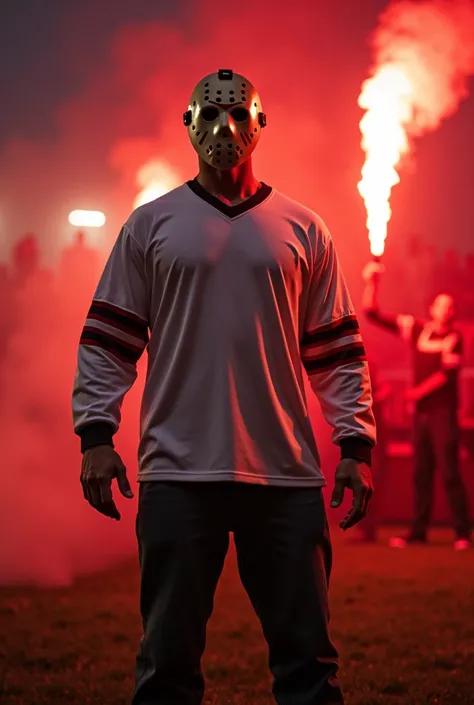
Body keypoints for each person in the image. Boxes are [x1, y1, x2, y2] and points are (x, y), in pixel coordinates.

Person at [73, 69, 376, 705]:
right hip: (179, 471)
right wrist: (95, 435)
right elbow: (109, 340)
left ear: (261, 124)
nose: (224, 130)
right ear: (187, 123)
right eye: (209, 116)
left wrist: (356, 444)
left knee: (310, 669)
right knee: (167, 665)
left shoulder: (304, 228)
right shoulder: (151, 224)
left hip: (284, 473)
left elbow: (337, 349)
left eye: (239, 115)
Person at [362, 261, 471, 550]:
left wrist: (415, 394)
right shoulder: (418, 330)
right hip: (421, 417)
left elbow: (445, 378)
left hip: (442, 415)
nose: (447, 311)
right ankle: (418, 532)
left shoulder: (454, 338)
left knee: (449, 472)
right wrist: (372, 282)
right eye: (442, 306)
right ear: (433, 309)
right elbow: (373, 315)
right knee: (420, 473)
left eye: (451, 307)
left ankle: (462, 533)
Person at [347, 360, 391, 543]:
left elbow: (384, 390)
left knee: (368, 479)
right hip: (362, 434)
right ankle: (365, 529)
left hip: (372, 436)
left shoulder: (367, 367)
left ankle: (368, 529)